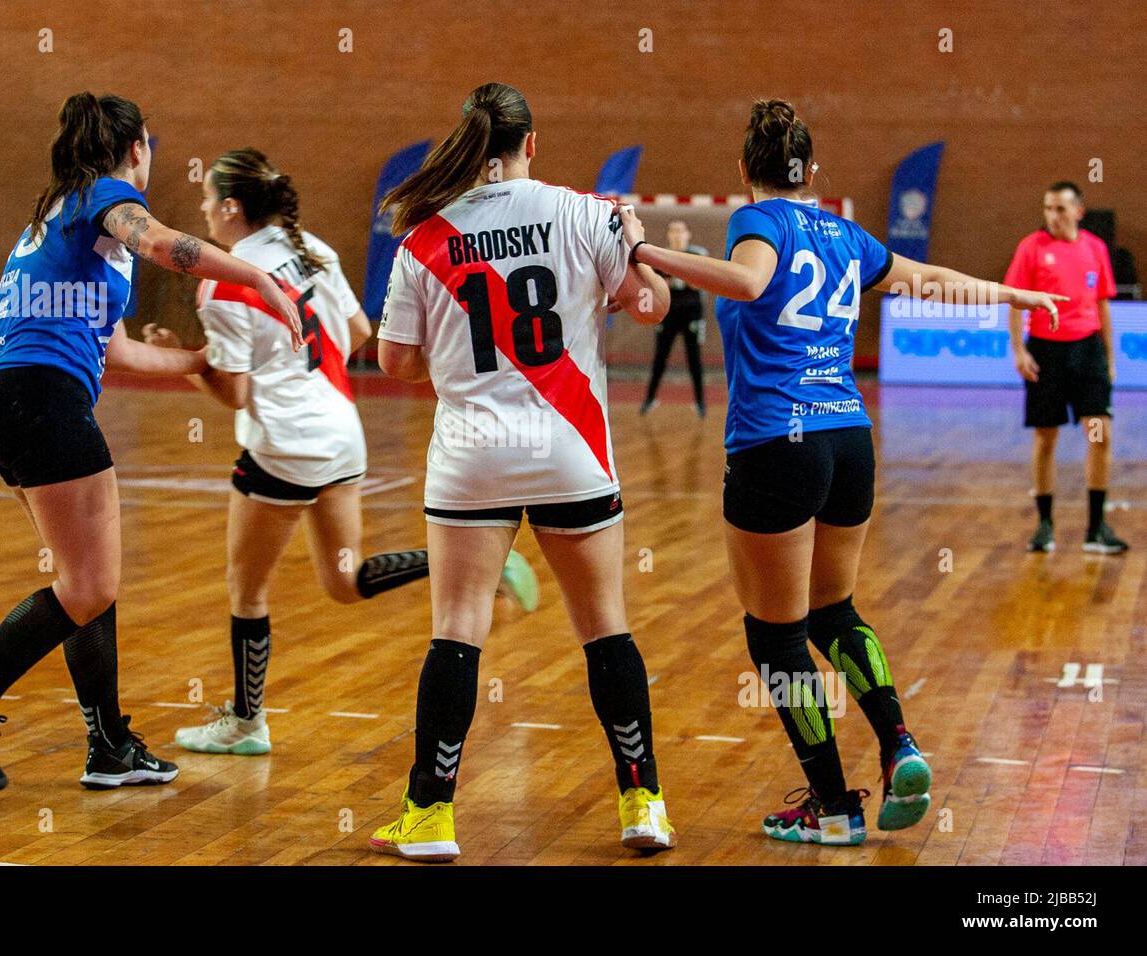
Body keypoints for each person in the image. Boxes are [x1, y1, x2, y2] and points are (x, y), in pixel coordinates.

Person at [620, 99, 1065, 844]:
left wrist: (649, 252)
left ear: (743, 171)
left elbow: (753, 283)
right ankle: (899, 745)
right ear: (813, 171)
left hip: (775, 444)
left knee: (776, 636)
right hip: (849, 439)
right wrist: (1013, 295)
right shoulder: (845, 234)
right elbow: (928, 280)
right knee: (835, 611)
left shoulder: (757, 223)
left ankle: (831, 807)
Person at [0, 92, 305, 793]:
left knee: (88, 580)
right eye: (149, 147)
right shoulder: (109, 197)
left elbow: (117, 351)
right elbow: (163, 244)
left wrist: (192, 364)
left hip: (7, 399)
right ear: (135, 150)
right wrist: (258, 278)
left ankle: (109, 745)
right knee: (89, 584)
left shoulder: (62, 216)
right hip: (40, 399)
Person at [140, 148, 538, 756]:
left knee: (246, 591)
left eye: (204, 203)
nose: (202, 214)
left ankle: (247, 724)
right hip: (340, 435)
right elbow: (357, 333)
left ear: (229, 207)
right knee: (344, 580)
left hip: (282, 447)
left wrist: (188, 363)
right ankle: (471, 563)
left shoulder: (223, 279)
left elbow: (237, 391)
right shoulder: (315, 250)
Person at [369, 82, 676, 862]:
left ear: (471, 146)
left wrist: (464, 356)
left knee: (458, 631)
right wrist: (635, 246)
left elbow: (395, 361)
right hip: (570, 450)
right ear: (531, 144)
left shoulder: (426, 238)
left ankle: (431, 816)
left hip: (473, 458)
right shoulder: (586, 212)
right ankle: (643, 804)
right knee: (605, 627)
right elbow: (650, 307)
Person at [1006, 181, 1125, 554]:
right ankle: (1045, 525)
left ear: (1078, 211)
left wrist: (1109, 358)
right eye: (1047, 208)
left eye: (1059, 208)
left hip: (1087, 350)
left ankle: (1096, 528)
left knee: (1098, 432)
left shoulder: (1095, 248)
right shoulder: (1032, 247)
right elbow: (1014, 301)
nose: (1052, 216)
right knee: (1045, 438)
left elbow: (1103, 305)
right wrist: (1019, 350)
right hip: (1046, 351)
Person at [640, 219, 707, 415]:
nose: (677, 235)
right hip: (667, 314)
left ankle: (700, 403)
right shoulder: (660, 255)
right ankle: (649, 399)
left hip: (692, 314)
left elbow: (699, 283)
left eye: (681, 231)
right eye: (673, 231)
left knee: (694, 359)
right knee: (660, 358)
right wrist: (682, 278)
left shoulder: (697, 255)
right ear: (669, 235)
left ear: (688, 234)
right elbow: (655, 283)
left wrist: (675, 279)